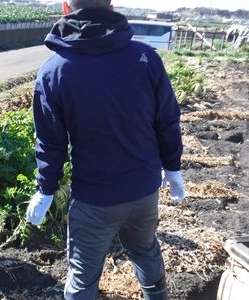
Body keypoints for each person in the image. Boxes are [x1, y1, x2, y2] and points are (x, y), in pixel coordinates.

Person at [24, 0, 185, 299]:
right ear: (111, 8)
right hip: (144, 189)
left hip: (95, 198)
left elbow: (51, 142)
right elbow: (167, 118)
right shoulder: (145, 57)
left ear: (65, 8)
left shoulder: (54, 71)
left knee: (83, 277)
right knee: (145, 249)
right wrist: (173, 168)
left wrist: (45, 189)